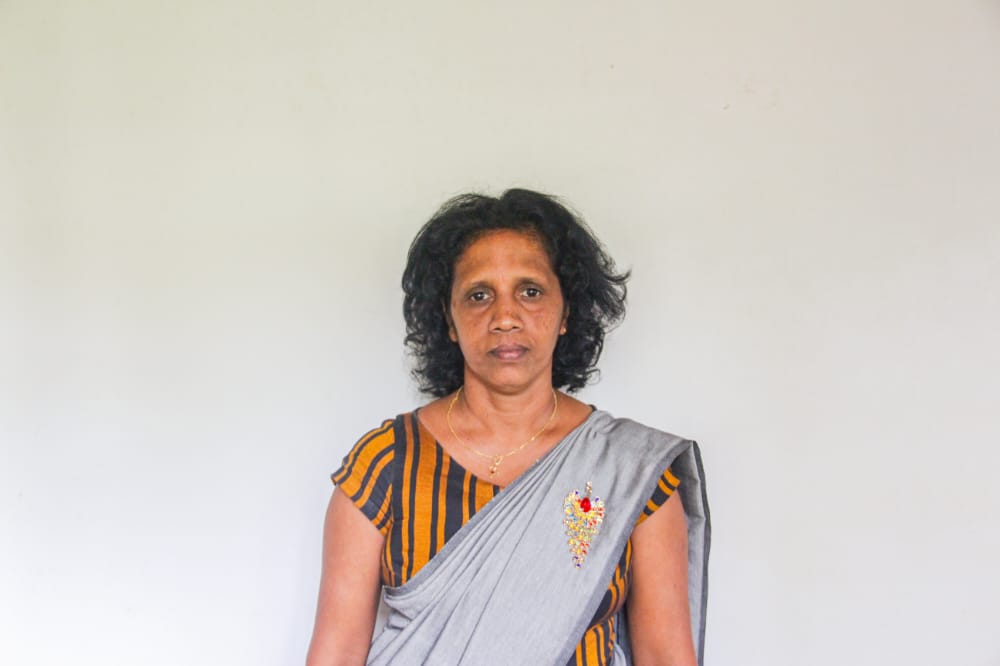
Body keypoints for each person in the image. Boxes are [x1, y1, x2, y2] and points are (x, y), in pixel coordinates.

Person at [306, 189, 710, 665]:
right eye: (479, 295)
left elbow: (665, 656)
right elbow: (337, 653)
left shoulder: (629, 470)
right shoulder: (386, 465)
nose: (505, 317)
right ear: (449, 320)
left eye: (530, 291)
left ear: (566, 312)